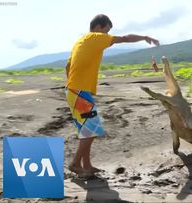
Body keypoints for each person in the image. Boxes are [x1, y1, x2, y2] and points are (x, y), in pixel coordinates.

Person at [65, 14, 159, 177]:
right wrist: (145, 37)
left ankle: (86, 165)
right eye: (107, 29)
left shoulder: (80, 41)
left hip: (75, 91)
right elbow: (124, 38)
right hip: (79, 91)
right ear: (99, 27)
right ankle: (75, 163)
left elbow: (68, 66)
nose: (108, 34)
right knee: (91, 129)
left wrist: (74, 84)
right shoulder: (96, 37)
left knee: (87, 130)